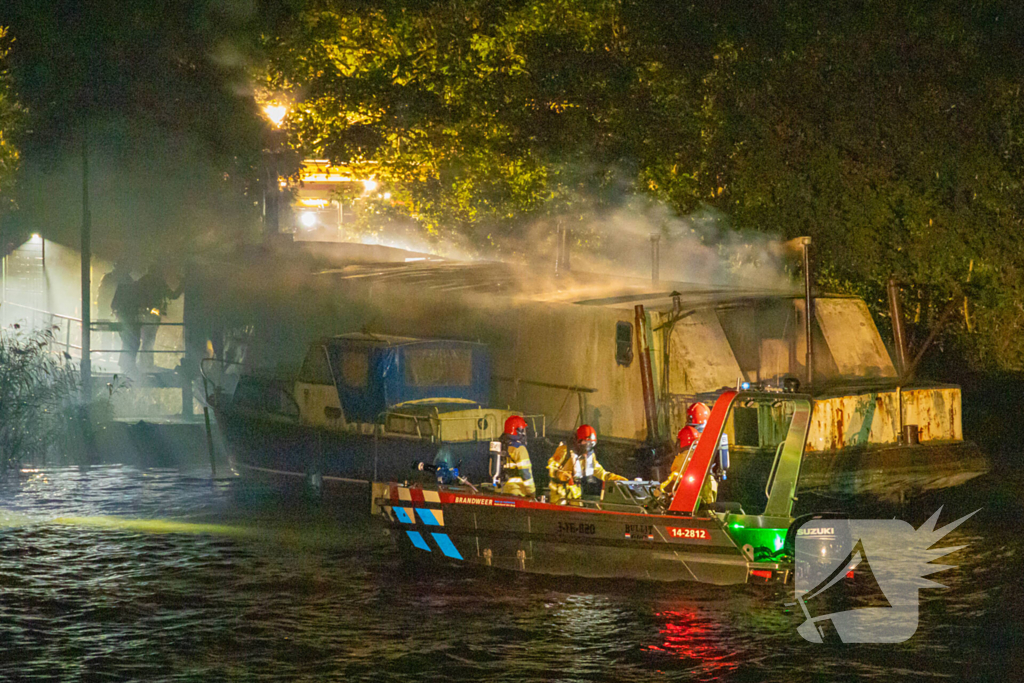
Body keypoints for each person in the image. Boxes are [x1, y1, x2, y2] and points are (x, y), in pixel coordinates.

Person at [547, 424, 626, 505]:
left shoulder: (589, 456)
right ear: (577, 441)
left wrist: (616, 479)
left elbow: (600, 472)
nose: (588, 446)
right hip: (559, 495)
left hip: (575, 495)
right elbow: (552, 467)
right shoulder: (564, 451)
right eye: (586, 442)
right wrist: (561, 474)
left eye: (591, 443)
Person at [135, 264, 183, 370]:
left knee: (145, 339)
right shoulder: (158, 281)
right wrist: (182, 285)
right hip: (153, 314)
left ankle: (144, 363)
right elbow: (172, 295)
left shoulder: (142, 281)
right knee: (149, 339)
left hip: (141, 314)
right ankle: (146, 364)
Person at [659, 402, 712, 498]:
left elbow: (673, 477)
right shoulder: (713, 437)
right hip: (710, 482)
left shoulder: (683, 458)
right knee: (707, 510)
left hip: (687, 490)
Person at [110, 274, 141, 373]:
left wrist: (118, 314)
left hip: (123, 319)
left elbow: (113, 305)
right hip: (130, 320)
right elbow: (138, 305)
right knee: (133, 342)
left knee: (127, 342)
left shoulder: (121, 289)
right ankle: (129, 365)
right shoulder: (133, 291)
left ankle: (125, 364)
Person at [498, 415, 535, 497]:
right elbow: (526, 474)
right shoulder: (519, 449)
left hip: (500, 491)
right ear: (518, 431)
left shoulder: (500, 446)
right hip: (516, 492)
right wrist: (532, 492)